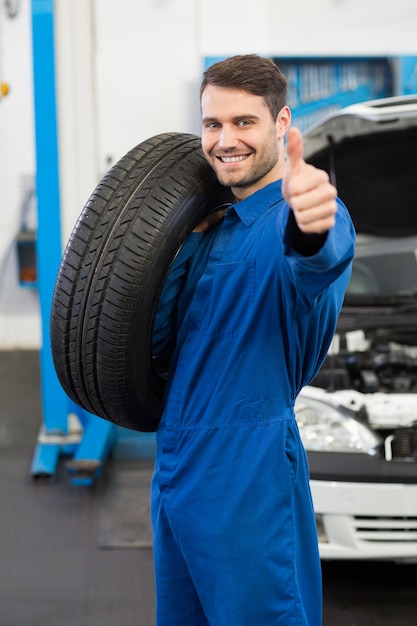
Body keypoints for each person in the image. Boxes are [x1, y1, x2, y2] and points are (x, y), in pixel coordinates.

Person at [151, 54, 356, 626]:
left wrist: (312, 218)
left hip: (247, 472)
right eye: (213, 124)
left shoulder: (297, 215)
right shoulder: (211, 228)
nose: (225, 140)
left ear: (281, 122)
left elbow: (317, 254)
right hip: (174, 468)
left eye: (244, 122)